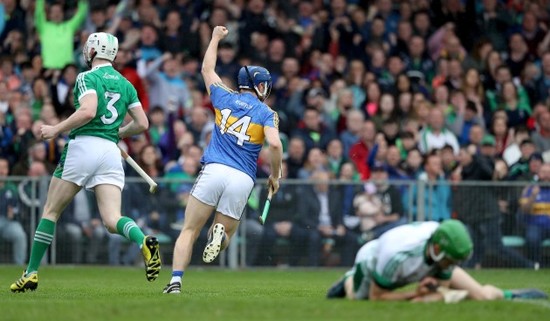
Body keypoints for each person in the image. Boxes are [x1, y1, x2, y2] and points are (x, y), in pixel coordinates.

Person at [10, 32, 161, 293]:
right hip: (110, 153)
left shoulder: (86, 77)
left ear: (92, 50)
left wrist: (56, 128)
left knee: (51, 211)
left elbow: (88, 110)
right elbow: (142, 124)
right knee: (113, 220)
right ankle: (142, 240)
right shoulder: (126, 83)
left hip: (84, 146)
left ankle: (31, 272)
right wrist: (118, 133)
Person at [163, 26, 282, 294]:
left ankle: (175, 282)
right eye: (262, 84)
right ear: (256, 85)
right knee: (226, 235)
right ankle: (219, 232)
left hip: (214, 169)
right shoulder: (267, 113)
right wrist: (276, 174)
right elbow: (274, 143)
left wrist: (215, 38)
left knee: (189, 230)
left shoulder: (223, 96)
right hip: (242, 178)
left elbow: (207, 69)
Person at [326, 219, 547, 302]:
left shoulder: (442, 245)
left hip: (425, 263)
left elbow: (441, 289)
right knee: (359, 299)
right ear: (439, 250)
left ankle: (512, 295)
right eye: (451, 261)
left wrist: (434, 290)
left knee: (479, 296)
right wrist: (417, 293)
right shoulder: (396, 256)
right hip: (372, 263)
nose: (453, 266)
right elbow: (378, 297)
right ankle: (348, 280)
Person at [520, 163, 550, 266]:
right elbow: (525, 209)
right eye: (544, 172)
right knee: (532, 238)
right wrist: (533, 196)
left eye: (549, 173)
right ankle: (535, 264)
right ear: (538, 174)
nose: (546, 176)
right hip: (535, 225)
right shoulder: (530, 189)